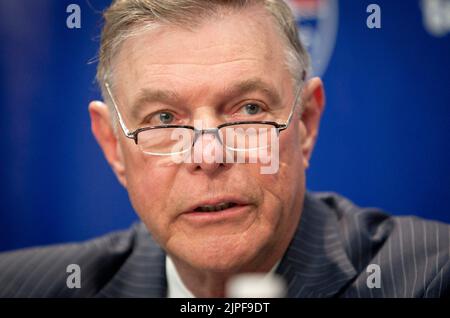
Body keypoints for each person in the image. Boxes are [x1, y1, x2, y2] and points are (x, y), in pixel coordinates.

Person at [0, 0, 448, 298]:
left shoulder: (429, 278)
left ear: (306, 123)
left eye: (248, 109)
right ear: (113, 145)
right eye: (164, 119)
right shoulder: (22, 287)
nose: (208, 155)